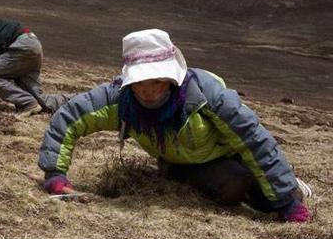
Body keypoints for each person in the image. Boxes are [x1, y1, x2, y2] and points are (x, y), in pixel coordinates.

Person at [37, 28, 312, 223]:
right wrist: (55, 173)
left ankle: (289, 189)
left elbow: (253, 139)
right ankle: (188, 175)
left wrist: (287, 201)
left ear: (171, 79)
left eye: (156, 81)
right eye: (139, 83)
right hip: (179, 163)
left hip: (225, 153)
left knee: (269, 201)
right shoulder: (119, 99)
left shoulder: (207, 95)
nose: (147, 91)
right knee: (234, 185)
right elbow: (69, 118)